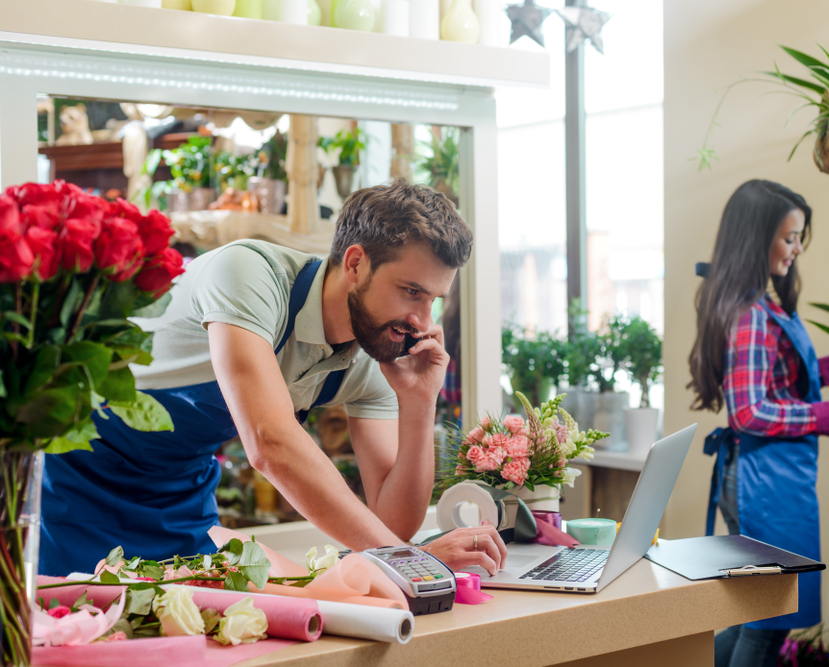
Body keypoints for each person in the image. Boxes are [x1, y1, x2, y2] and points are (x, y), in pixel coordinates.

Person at [41, 179, 507, 577]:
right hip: (78, 482)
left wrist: (420, 403)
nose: (421, 320)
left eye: (433, 300)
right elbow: (269, 443)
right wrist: (405, 562)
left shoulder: (374, 350)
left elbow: (390, 520)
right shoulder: (247, 273)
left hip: (179, 498)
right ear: (355, 263)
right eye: (411, 292)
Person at [688, 180, 829, 667]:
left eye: (800, 237)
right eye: (789, 237)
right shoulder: (753, 313)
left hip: (767, 479)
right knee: (768, 625)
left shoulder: (758, 303)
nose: (797, 249)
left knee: (755, 619)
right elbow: (750, 411)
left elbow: (778, 380)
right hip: (762, 483)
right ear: (757, 239)